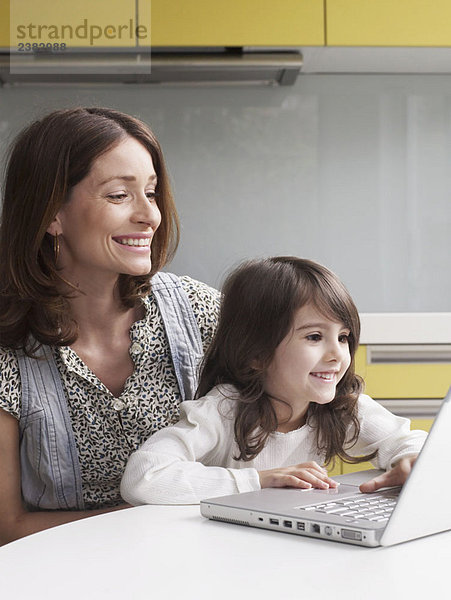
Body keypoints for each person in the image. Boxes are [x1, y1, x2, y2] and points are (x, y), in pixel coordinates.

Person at [0, 107, 220, 544]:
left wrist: (398, 450)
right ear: (51, 215)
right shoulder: (8, 348)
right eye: (119, 195)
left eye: (152, 193)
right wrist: (148, 523)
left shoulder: (199, 311)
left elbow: (320, 385)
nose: (149, 216)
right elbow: (7, 529)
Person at [121, 257, 427, 505]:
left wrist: (409, 458)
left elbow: (411, 442)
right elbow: (143, 477)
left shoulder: (342, 407)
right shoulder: (223, 410)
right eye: (315, 337)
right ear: (256, 354)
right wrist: (259, 480)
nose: (337, 354)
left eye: (343, 337)